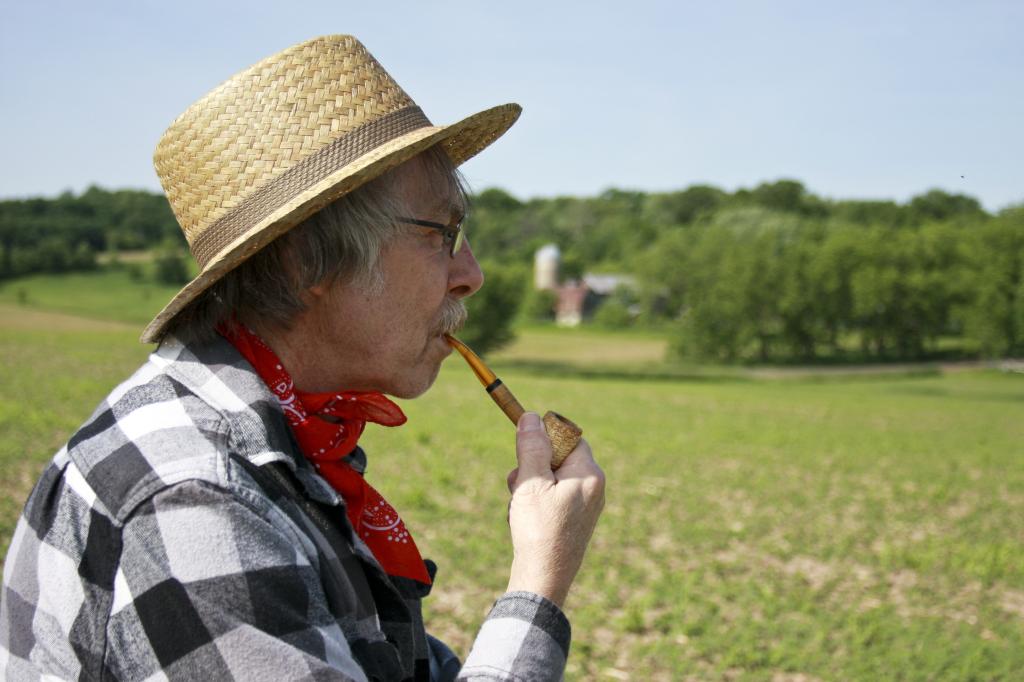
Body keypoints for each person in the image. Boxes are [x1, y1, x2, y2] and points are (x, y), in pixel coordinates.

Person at [0, 35, 605, 681]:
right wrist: (540, 583)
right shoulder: (197, 497)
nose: (471, 276)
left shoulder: (283, 446)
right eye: (442, 234)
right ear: (306, 260)